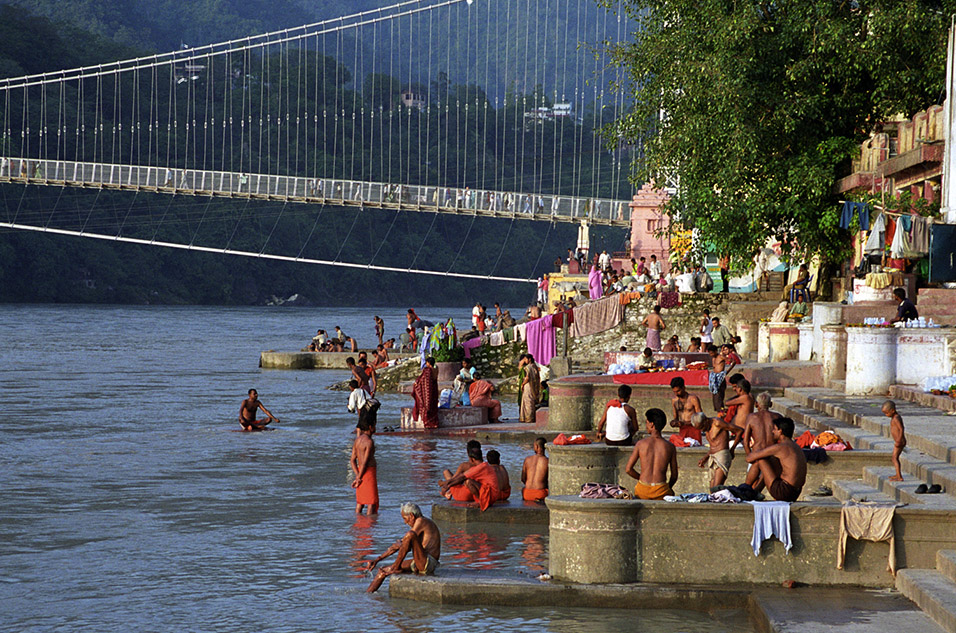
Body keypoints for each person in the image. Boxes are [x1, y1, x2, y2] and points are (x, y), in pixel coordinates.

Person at [364, 502, 441, 593]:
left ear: (411, 515)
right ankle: (367, 594)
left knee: (409, 535)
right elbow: (399, 546)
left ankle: (395, 567)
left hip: (428, 563)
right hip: (419, 562)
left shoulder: (421, 521)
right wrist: (377, 559)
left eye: (405, 519)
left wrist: (395, 564)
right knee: (383, 570)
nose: (405, 523)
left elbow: (406, 539)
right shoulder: (418, 525)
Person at [746, 417, 807, 502]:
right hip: (795, 492)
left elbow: (749, 458)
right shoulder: (795, 446)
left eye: (774, 429)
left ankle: (746, 488)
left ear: (780, 431)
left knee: (761, 460)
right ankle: (755, 491)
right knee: (773, 460)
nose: (772, 432)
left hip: (783, 491)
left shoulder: (780, 447)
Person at [625, 408, 678, 499]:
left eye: (647, 422)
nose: (646, 425)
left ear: (652, 424)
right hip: (661, 490)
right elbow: (674, 475)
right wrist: (668, 487)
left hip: (642, 490)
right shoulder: (670, 446)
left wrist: (641, 477)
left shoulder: (641, 444)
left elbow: (628, 469)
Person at [732, 392, 780, 489]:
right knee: (774, 484)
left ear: (756, 404)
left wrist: (750, 456)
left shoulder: (751, 417)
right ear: (770, 404)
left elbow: (745, 442)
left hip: (757, 454)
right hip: (772, 455)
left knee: (750, 486)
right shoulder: (777, 417)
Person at [439, 444, 501, 510]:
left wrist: (447, 485)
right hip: (493, 495)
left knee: (468, 482)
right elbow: (460, 476)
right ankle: (479, 500)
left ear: (471, 459)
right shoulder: (483, 466)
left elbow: (461, 477)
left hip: (491, 496)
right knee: (467, 481)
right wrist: (447, 484)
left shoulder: (480, 467)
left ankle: (480, 501)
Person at [694, 412, 743, 489]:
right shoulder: (707, 428)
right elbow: (713, 446)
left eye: (702, 427)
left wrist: (732, 449)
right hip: (712, 457)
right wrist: (705, 458)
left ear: (706, 420)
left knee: (716, 488)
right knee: (712, 490)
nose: (702, 430)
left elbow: (739, 430)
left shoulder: (717, 423)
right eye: (700, 429)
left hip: (722, 455)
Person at [350, 415, 378, 515]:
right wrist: (359, 477)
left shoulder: (357, 440)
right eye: (375, 425)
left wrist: (357, 475)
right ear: (370, 427)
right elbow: (365, 463)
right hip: (368, 473)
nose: (375, 428)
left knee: (360, 502)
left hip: (359, 471)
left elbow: (352, 460)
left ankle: (358, 522)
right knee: (371, 502)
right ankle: (370, 525)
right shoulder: (369, 442)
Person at [413, 357, 440, 429]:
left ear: (428, 362)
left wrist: (417, 383)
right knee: (433, 405)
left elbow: (423, 380)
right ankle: (434, 423)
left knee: (427, 406)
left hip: (428, 390)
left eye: (426, 362)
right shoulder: (436, 369)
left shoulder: (428, 371)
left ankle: (428, 423)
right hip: (434, 389)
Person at [883, 400, 907, 481]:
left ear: (892, 410)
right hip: (898, 441)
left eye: (887, 413)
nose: (886, 415)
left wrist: (899, 440)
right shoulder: (894, 417)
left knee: (894, 458)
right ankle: (897, 474)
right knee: (894, 458)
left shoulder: (896, 418)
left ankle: (899, 476)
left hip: (900, 441)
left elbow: (901, 429)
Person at [522, 437, 549, 502]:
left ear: (536, 446)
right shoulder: (548, 461)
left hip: (527, 494)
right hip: (540, 494)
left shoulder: (527, 459)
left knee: (523, 489)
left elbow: (523, 479)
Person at [519, 354, 540, 424]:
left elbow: (527, 378)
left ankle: (528, 419)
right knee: (531, 401)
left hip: (528, 386)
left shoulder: (528, 367)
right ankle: (532, 417)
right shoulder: (534, 366)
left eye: (525, 359)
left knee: (528, 402)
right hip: (534, 386)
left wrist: (523, 384)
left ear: (529, 359)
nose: (524, 361)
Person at [707, 344, 728, 411]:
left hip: (720, 377)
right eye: (710, 353)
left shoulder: (721, 357)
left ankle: (721, 409)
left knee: (719, 394)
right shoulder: (713, 358)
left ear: (716, 351)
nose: (711, 354)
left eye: (712, 353)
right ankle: (717, 409)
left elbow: (733, 361)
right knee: (715, 394)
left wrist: (726, 372)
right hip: (714, 377)